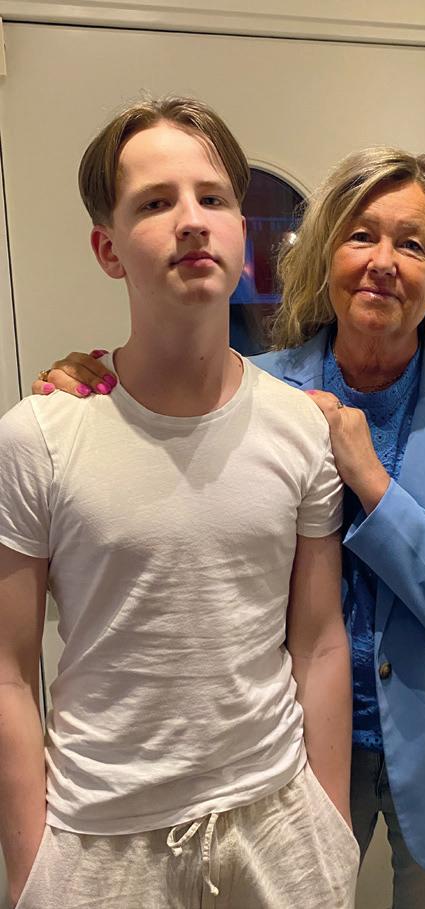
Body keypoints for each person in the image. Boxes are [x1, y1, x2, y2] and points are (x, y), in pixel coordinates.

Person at [34, 146, 425, 908]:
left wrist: (371, 481)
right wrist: (93, 381)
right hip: (298, 746)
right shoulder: (259, 385)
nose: (383, 262)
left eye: (412, 244)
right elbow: (163, 434)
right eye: (362, 235)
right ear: (329, 254)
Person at [0, 97, 360, 909]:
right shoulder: (38, 438)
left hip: (279, 825)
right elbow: (9, 672)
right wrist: (29, 873)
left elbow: (319, 641)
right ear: (109, 248)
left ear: (241, 229)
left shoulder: (302, 427)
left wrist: (331, 830)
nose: (192, 220)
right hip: (101, 841)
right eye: (156, 202)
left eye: (213, 197)